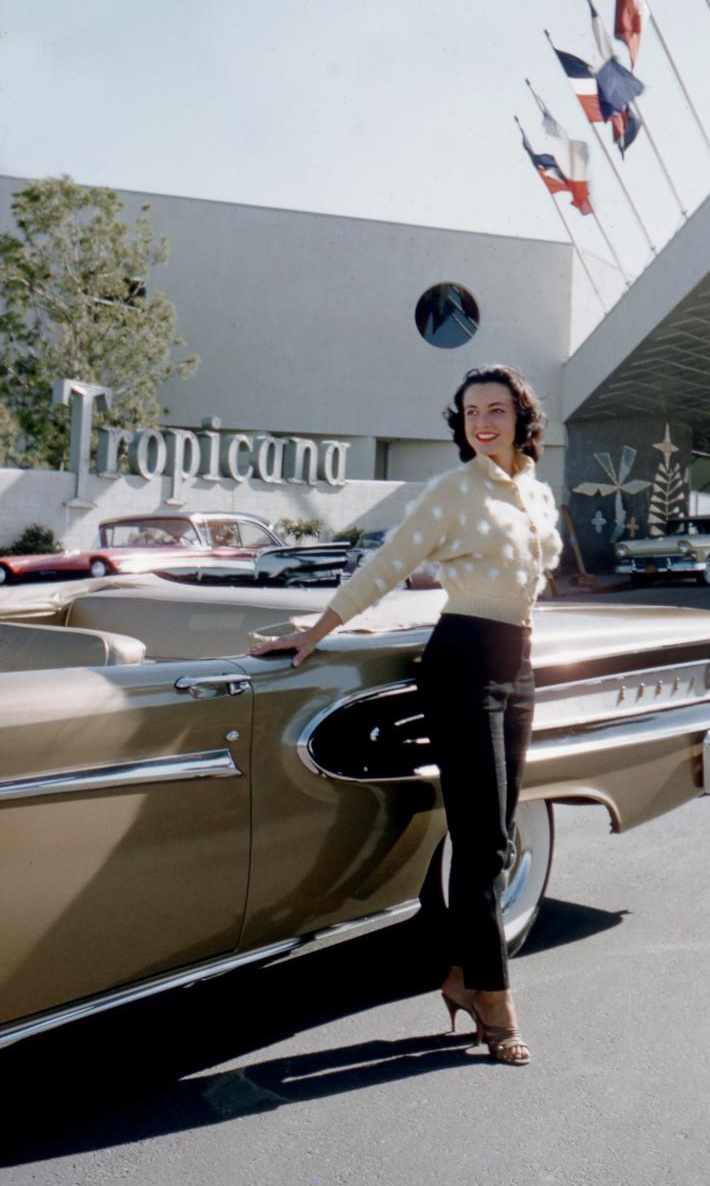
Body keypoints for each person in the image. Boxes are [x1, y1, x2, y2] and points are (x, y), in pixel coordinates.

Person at [250, 365, 562, 1064]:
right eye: (470, 411)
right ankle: (494, 996)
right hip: (462, 663)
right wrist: (314, 630)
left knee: (500, 834)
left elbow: (534, 578)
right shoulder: (452, 492)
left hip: (518, 663)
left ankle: (457, 971)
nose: (483, 422)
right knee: (481, 842)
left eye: (496, 410)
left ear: (521, 417)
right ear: (460, 422)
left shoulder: (536, 491)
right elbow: (384, 566)